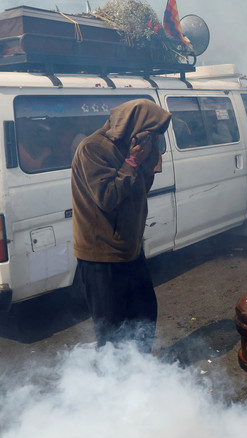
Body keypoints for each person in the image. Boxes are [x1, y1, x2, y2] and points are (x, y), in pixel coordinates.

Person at [71, 99, 171, 352]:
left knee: (144, 315)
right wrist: (133, 162)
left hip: (130, 248)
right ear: (133, 127)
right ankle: (113, 384)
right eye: (150, 135)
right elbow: (107, 198)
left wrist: (147, 160)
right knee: (112, 328)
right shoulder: (93, 148)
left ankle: (142, 371)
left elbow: (139, 190)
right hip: (101, 255)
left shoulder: (131, 146)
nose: (151, 140)